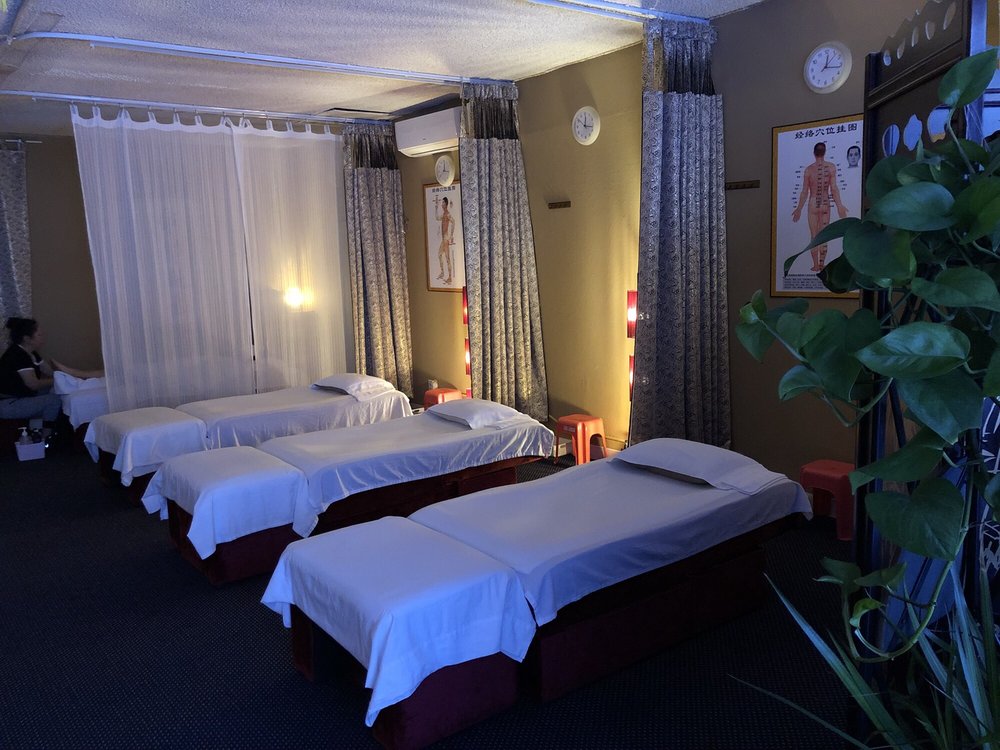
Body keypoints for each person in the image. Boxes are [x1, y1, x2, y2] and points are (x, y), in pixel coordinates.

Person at [0, 316, 103, 428]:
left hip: (22, 396)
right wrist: (58, 380)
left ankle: (45, 428)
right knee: (54, 400)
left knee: (55, 390)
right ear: (27, 339)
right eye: (39, 335)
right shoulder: (17, 355)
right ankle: (47, 432)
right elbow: (33, 384)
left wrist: (72, 377)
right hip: (8, 403)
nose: (43, 338)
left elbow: (50, 372)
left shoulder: (31, 353)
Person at [792, 142, 849, 272]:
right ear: (825, 152)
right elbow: (833, 188)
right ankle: (822, 264)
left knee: (814, 236)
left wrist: (799, 209)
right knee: (823, 235)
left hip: (813, 204)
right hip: (825, 203)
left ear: (814, 153)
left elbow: (804, 192)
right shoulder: (831, 167)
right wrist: (839, 206)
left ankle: (815, 265)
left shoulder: (808, 170)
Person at [434, 195, 456, 286]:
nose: (442, 204)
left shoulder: (447, 214)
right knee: (440, 255)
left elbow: (453, 222)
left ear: (446, 204)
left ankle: (450, 277)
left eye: (443, 202)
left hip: (446, 239)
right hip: (443, 239)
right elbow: (437, 218)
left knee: (447, 258)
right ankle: (443, 272)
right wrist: (436, 207)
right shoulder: (443, 214)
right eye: (442, 202)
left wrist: (451, 235)